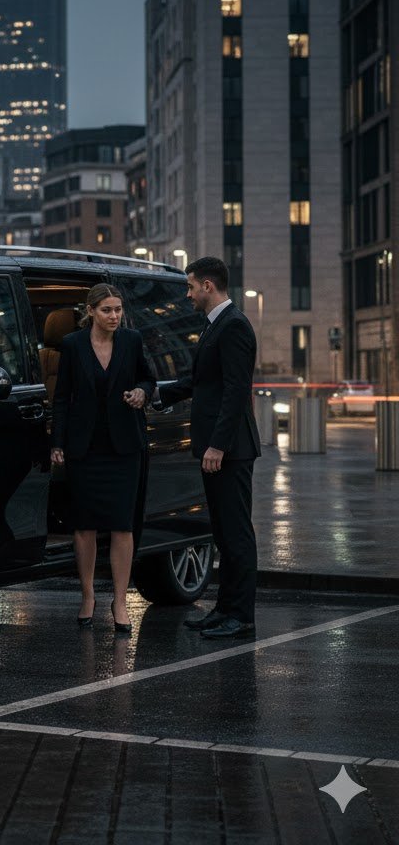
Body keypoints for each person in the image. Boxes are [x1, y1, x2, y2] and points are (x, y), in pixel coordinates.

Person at [154, 256, 261, 640]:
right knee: (223, 533)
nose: (188, 294)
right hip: (218, 449)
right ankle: (225, 608)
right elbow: (202, 382)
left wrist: (218, 445)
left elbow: (235, 392)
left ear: (208, 286)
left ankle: (241, 615)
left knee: (236, 534)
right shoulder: (215, 325)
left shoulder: (233, 326)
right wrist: (157, 393)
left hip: (230, 450)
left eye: (190, 286)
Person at [50, 283, 157, 635]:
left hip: (124, 446)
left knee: (123, 526)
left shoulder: (132, 340)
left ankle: (121, 601)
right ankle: (87, 596)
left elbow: (148, 377)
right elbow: (62, 397)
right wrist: (58, 442)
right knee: (85, 526)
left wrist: (142, 391)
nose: (115, 316)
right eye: (107, 310)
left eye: (118, 309)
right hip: (85, 448)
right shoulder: (72, 345)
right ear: (91, 311)